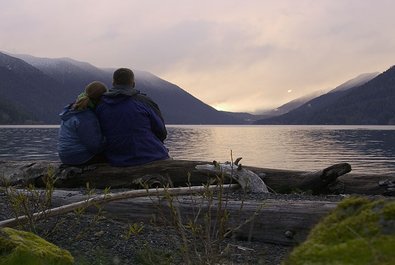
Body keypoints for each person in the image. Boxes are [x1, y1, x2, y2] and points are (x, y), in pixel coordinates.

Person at [96, 68, 169, 167]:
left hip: (115, 159)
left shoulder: (100, 104)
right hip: (151, 156)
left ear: (113, 83)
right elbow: (161, 131)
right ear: (133, 83)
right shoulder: (144, 102)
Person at [58, 81, 107, 165]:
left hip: (65, 156)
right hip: (79, 157)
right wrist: (107, 141)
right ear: (101, 99)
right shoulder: (86, 116)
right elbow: (95, 146)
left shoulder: (71, 109)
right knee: (115, 157)